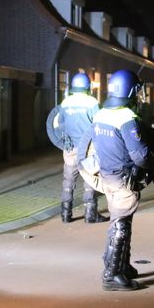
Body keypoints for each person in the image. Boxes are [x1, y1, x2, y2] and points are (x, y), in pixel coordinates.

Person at [80, 69, 154, 291]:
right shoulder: (127, 119)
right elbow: (141, 156)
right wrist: (151, 162)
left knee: (122, 221)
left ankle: (121, 264)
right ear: (131, 90)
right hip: (123, 180)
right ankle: (111, 274)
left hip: (107, 176)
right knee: (120, 225)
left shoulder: (101, 114)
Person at [55, 71, 108, 223]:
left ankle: (65, 215)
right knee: (90, 178)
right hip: (88, 147)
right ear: (87, 86)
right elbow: (99, 123)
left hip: (70, 147)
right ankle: (90, 214)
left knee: (68, 180)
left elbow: (59, 124)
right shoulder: (92, 102)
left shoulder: (65, 102)